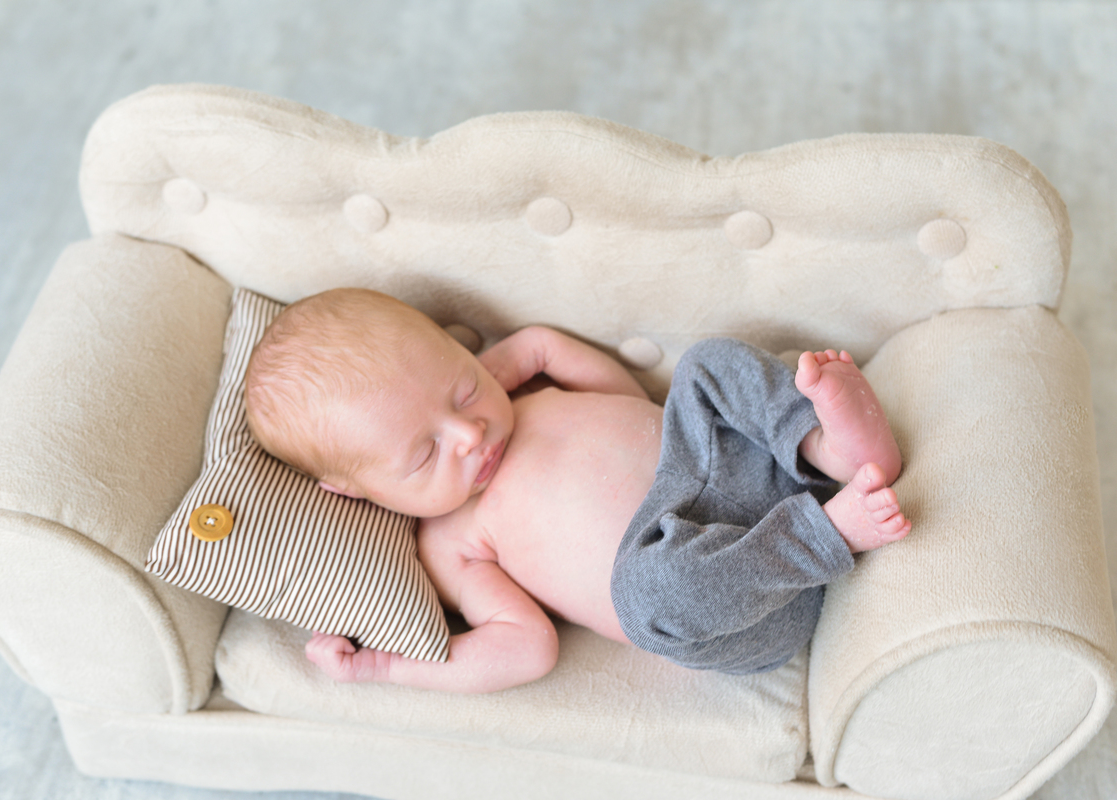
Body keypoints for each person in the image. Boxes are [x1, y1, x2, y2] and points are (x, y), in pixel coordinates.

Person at [244, 288, 909, 692]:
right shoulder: (449, 543)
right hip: (735, 597)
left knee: (706, 366)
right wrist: (387, 669)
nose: (470, 434)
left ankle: (827, 448)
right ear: (356, 491)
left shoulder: (524, 400)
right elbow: (524, 647)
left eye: (462, 388)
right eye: (424, 452)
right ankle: (828, 533)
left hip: (732, 469)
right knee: (648, 591)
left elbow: (605, 384)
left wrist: (505, 368)